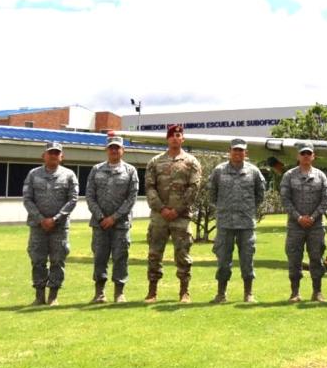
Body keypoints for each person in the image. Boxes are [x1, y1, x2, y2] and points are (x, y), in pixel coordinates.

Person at [144, 124, 202, 304]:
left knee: (183, 254)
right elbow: (149, 187)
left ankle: (184, 292)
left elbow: (194, 188)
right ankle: (152, 292)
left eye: (178, 135)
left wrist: (177, 210)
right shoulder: (155, 161)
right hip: (159, 216)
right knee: (154, 254)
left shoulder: (191, 162)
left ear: (182, 138)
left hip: (181, 216)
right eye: (172, 135)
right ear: (167, 139)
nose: (175, 138)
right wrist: (162, 209)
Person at [208, 138, 267, 304]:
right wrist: (223, 208)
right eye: (235, 150)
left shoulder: (253, 172)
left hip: (246, 223)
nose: (238, 153)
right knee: (223, 260)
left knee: (247, 259)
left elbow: (260, 195)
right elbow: (212, 194)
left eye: (241, 150)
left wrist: (246, 209)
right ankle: (221, 293)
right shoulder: (219, 171)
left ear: (245, 153)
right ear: (230, 151)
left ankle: (248, 293)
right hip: (225, 223)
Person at [22, 141, 79, 306]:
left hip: (59, 227)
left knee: (58, 259)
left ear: (61, 157)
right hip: (38, 226)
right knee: (37, 259)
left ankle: (53, 295)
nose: (53, 155)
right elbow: (27, 199)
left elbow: (73, 199)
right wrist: (41, 219)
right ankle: (39, 295)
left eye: (56, 153)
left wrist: (55, 219)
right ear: (43, 155)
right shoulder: (33, 174)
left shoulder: (69, 175)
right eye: (50, 152)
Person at [86, 136, 139, 304]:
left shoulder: (130, 171)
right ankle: (99, 293)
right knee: (100, 257)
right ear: (107, 150)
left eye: (117, 148)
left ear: (123, 150)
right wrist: (102, 217)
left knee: (120, 257)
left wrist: (114, 218)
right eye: (111, 148)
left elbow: (131, 198)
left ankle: (119, 293)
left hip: (121, 224)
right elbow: (89, 196)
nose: (114, 150)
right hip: (99, 224)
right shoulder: (96, 169)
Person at [281, 143, 327, 302]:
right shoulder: (289, 175)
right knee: (294, 259)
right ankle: (295, 293)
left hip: (315, 226)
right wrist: (299, 217)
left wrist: (313, 217)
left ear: (313, 156)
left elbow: (326, 199)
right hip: (295, 226)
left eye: (309, 153)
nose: (306, 156)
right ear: (298, 156)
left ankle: (317, 292)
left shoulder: (321, 176)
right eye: (303, 154)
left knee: (316, 258)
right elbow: (285, 199)